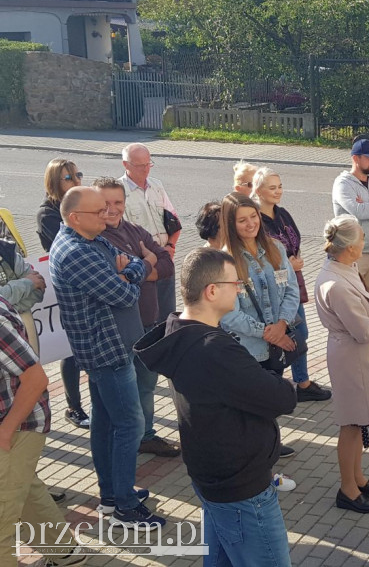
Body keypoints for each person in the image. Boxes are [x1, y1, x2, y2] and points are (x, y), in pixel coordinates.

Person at [134, 248, 296, 566]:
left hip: (212, 479)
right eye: (234, 282)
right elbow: (282, 398)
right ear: (212, 290)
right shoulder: (215, 349)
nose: (239, 288)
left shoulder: (180, 330)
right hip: (241, 491)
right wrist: (276, 372)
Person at [49, 186, 165, 528]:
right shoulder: (75, 252)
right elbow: (124, 292)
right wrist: (142, 265)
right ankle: (124, 508)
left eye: (107, 208)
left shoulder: (93, 240)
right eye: (98, 211)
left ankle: (112, 494)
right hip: (106, 351)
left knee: (106, 423)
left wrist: (128, 268)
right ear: (74, 218)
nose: (107, 215)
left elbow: (123, 266)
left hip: (113, 346)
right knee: (130, 424)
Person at [94, 177, 180, 458]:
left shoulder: (135, 230)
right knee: (124, 396)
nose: (112, 209)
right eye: (105, 203)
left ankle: (146, 436)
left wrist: (144, 268)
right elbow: (116, 275)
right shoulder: (96, 238)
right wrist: (149, 261)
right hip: (118, 330)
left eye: (118, 202)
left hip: (148, 322)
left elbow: (167, 262)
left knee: (146, 384)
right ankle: (125, 446)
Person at [314, 216, 369, 513]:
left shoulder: (345, 267)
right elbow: (363, 331)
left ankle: (358, 477)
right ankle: (347, 489)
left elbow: (367, 306)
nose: (365, 242)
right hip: (351, 358)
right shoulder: (336, 284)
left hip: (358, 357)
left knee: (359, 422)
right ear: (349, 247)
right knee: (350, 425)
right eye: (361, 237)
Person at [0, 296, 86, 567]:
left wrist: (4, 433)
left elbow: (36, 379)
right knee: (24, 491)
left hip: (19, 424)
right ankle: (65, 554)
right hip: (11, 421)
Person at [219, 193, 301, 458]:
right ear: (230, 224)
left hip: (274, 347)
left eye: (253, 216)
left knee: (268, 402)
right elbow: (228, 314)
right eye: (242, 220)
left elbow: (291, 291)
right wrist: (268, 333)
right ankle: (258, 457)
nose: (250, 223)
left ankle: (270, 447)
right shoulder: (225, 261)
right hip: (248, 350)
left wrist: (281, 324)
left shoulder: (276, 248)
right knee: (250, 408)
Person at [254, 167, 330, 402]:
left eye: (280, 186)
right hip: (270, 288)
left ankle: (302, 382)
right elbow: (259, 254)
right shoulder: (256, 219)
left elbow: (293, 240)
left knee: (301, 332)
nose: (278, 192)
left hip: (291, 283)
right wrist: (288, 264)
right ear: (258, 190)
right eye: (272, 187)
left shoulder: (282, 213)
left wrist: (294, 262)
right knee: (278, 334)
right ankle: (272, 383)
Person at [36, 157, 89, 429]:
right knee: (71, 351)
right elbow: (73, 240)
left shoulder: (83, 203)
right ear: (54, 182)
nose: (76, 181)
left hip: (86, 286)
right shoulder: (48, 213)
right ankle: (74, 407)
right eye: (68, 177)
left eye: (78, 175)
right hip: (64, 288)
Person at [118, 143, 180, 325]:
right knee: (149, 320)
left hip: (165, 259)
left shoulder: (157, 186)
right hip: (142, 265)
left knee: (168, 317)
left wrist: (170, 246)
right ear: (125, 165)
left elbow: (174, 221)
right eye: (140, 165)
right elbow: (121, 233)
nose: (146, 169)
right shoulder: (119, 192)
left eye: (148, 164)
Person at [332, 139, 369, 296]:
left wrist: (368, 207)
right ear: (355, 158)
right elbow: (359, 212)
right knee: (353, 302)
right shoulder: (343, 184)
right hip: (352, 254)